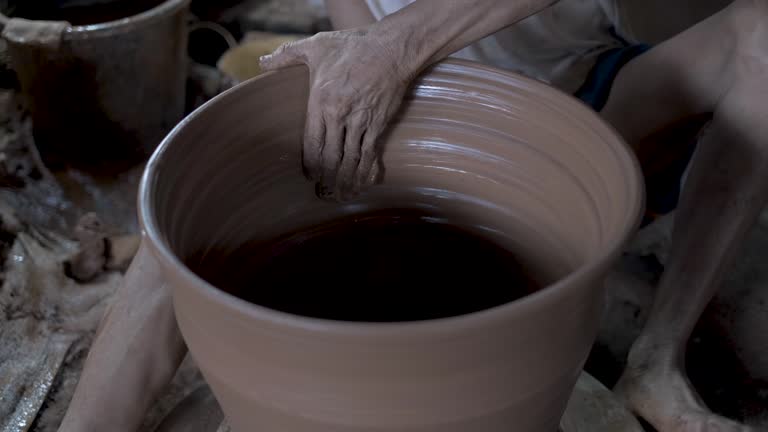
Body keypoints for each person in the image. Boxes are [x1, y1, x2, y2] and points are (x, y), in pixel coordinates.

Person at [59, 1, 765, 431]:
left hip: (580, 97)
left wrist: (396, 51)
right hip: (396, 77)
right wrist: (366, 68)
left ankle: (655, 360)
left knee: (758, 36)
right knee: (196, 203)